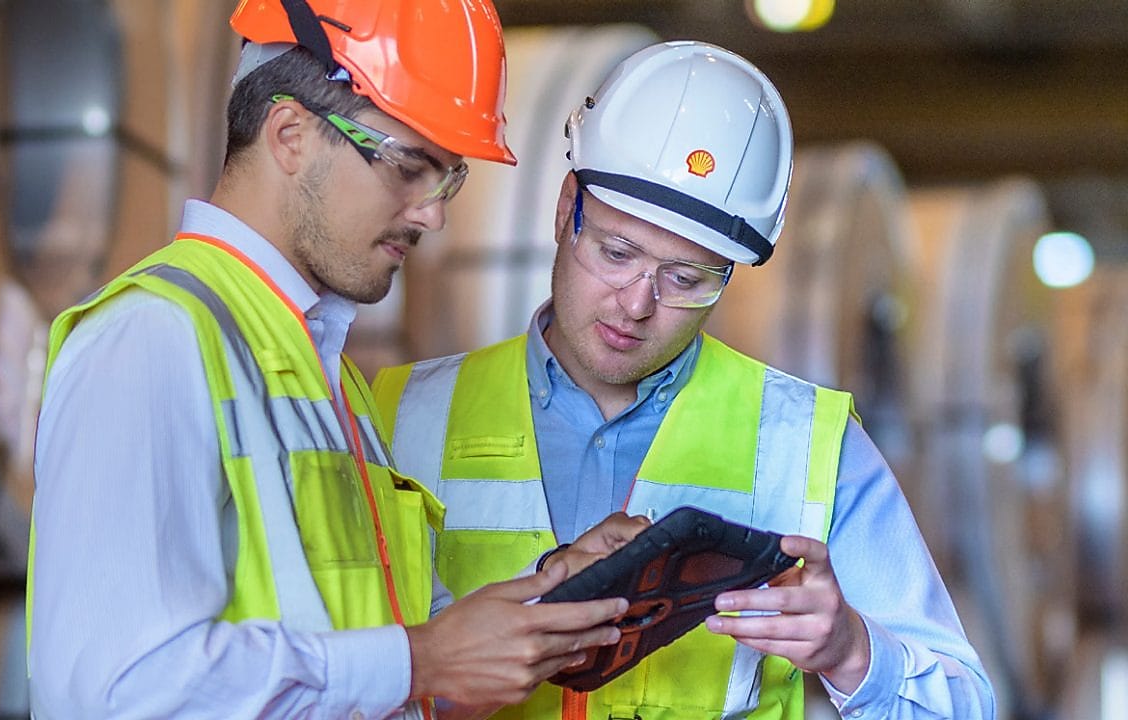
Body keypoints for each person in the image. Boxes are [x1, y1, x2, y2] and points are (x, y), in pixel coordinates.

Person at [25, 1, 641, 718]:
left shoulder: (328, 371)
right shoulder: (153, 340)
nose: (433, 213)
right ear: (290, 134)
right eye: (409, 167)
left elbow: (376, 656)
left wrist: (551, 596)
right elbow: (116, 689)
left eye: (449, 179)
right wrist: (421, 660)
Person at [372, 41, 996, 719]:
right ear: (564, 209)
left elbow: (963, 705)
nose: (637, 304)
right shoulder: (402, 417)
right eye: (616, 253)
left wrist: (850, 651)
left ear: (729, 276)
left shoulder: (805, 443)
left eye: (686, 279)